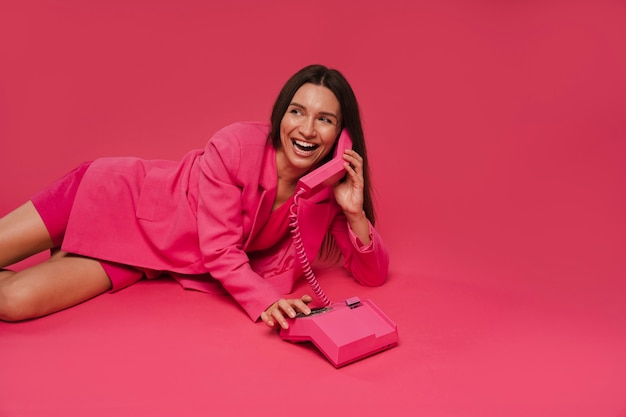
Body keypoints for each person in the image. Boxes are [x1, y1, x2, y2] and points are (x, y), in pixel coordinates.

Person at [0, 64, 389, 328]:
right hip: (110, 195)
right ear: (280, 116)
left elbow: (372, 276)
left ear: (342, 137)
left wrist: (354, 214)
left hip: (147, 258)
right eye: (296, 112)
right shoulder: (235, 146)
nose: (306, 129)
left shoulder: (323, 193)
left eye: (324, 119)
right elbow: (220, 250)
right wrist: (266, 301)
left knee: (16, 303)